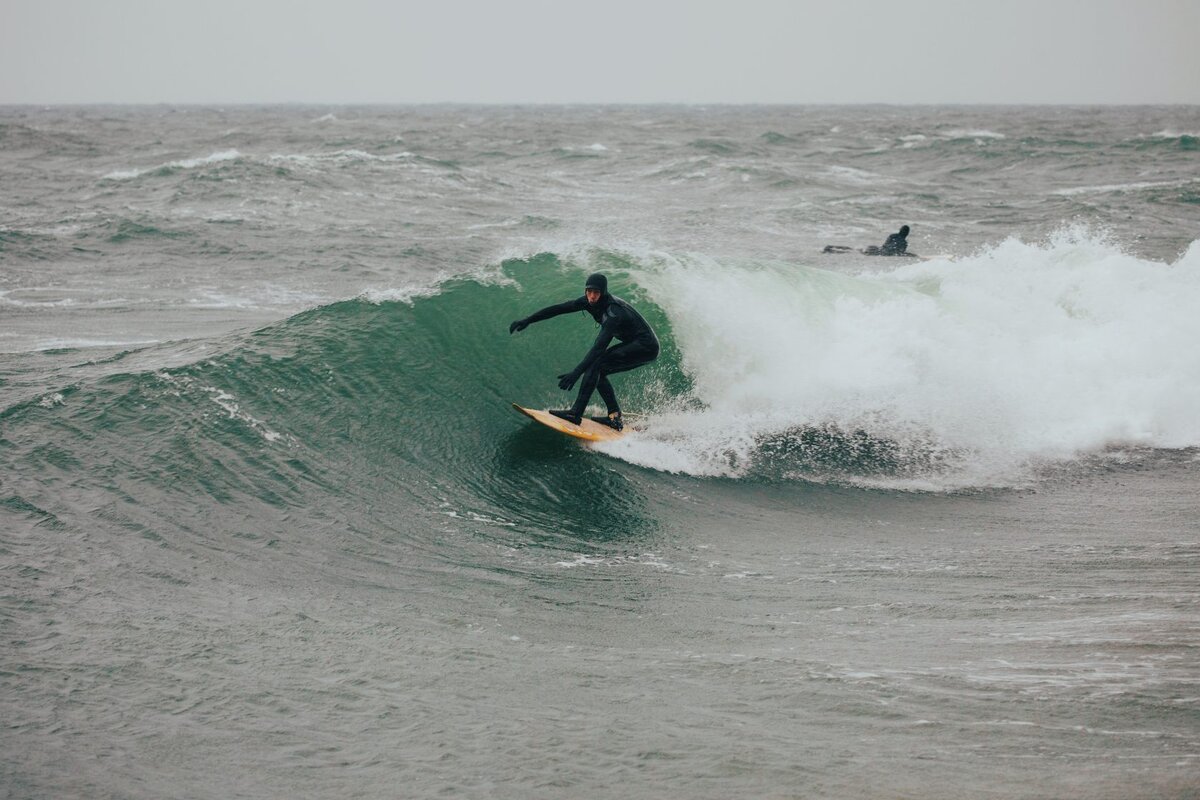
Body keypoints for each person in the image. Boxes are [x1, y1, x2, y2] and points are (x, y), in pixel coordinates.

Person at [509, 272, 659, 430]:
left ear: (603, 293)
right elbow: (558, 309)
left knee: (597, 364)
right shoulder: (587, 301)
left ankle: (575, 413)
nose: (592, 296)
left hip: (646, 346)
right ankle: (614, 417)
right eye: (589, 291)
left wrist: (576, 373)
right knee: (599, 369)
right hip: (633, 342)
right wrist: (528, 319)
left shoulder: (613, 312)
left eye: (596, 292)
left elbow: (599, 348)